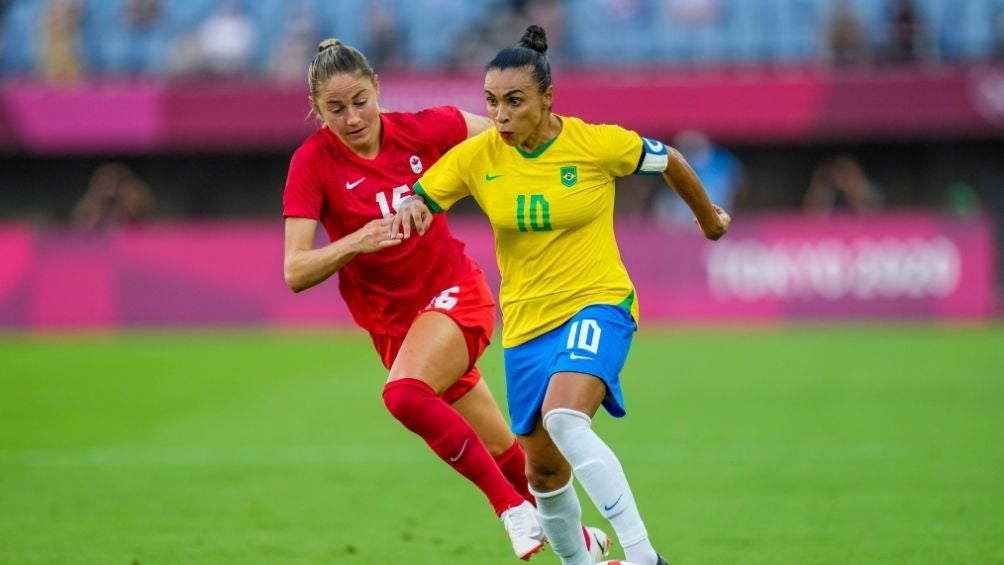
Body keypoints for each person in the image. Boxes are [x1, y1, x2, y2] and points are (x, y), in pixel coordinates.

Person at [392, 25, 730, 565]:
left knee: (564, 419)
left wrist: (707, 219)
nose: (500, 115)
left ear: (548, 98)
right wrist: (413, 204)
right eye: (491, 103)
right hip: (527, 328)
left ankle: (644, 556)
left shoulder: (596, 144)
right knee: (544, 472)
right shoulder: (479, 157)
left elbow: (670, 160)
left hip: (598, 302)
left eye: (514, 102)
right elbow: (424, 194)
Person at [281, 39, 611, 562]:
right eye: (335, 109)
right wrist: (356, 242)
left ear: (377, 89)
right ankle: (586, 546)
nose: (351, 119)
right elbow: (295, 270)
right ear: (317, 109)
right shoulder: (312, 163)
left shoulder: (426, 127)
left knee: (403, 396)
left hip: (456, 294)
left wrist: (554, 186)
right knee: (513, 458)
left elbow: (510, 138)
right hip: (398, 329)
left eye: (360, 101)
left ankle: (508, 510)